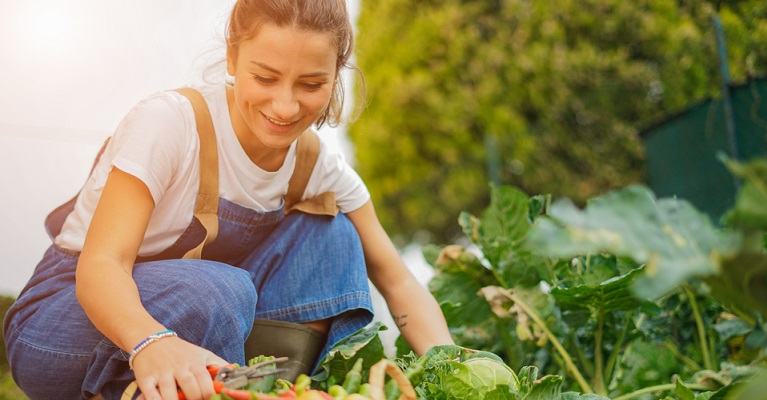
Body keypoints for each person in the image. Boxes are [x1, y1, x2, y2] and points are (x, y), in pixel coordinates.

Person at [3, 1, 454, 399]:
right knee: (220, 290)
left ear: (336, 75)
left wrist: (456, 371)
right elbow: (101, 266)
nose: (285, 106)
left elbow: (399, 282)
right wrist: (151, 342)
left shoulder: (318, 167)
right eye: (265, 77)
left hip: (204, 316)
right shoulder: (170, 124)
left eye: (311, 84)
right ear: (233, 56)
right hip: (62, 323)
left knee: (333, 234)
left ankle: (269, 389)